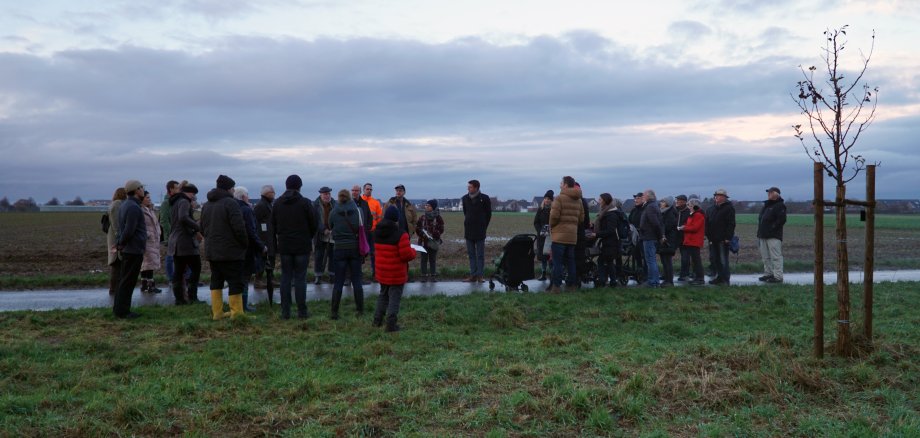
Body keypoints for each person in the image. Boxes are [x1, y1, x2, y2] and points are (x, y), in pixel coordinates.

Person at [201, 175, 249, 320]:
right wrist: (244, 243)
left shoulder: (207, 205)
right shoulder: (231, 203)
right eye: (233, 187)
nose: (234, 190)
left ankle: (217, 312)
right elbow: (239, 227)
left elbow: (202, 228)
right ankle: (237, 313)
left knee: (216, 280)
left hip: (212, 250)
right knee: (235, 281)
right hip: (231, 251)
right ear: (228, 188)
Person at [272, 175, 318, 320]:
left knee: (285, 278)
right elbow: (314, 223)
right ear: (300, 186)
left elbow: (273, 224)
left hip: (285, 245)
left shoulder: (278, 203)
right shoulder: (305, 202)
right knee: (300, 278)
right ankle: (302, 311)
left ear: (286, 186)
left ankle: (285, 312)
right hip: (302, 245)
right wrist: (307, 236)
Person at [373, 205, 417, 332]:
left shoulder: (377, 231)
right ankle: (391, 325)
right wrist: (413, 251)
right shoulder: (401, 234)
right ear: (396, 219)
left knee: (383, 295)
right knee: (394, 299)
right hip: (396, 272)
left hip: (382, 271)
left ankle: (377, 320)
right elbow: (406, 255)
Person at [329, 189, 366, 319]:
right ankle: (360, 309)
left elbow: (330, 225)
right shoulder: (358, 211)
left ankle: (334, 312)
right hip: (354, 248)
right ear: (350, 197)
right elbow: (362, 227)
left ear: (338, 198)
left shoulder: (333, 212)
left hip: (339, 249)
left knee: (338, 281)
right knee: (356, 279)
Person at [112, 180, 147, 319]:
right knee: (128, 281)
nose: (143, 190)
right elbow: (129, 230)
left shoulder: (126, 204)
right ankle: (123, 311)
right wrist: (121, 243)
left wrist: (121, 243)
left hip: (130, 249)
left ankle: (119, 309)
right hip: (133, 250)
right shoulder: (133, 207)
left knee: (124, 280)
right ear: (137, 190)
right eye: (142, 188)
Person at [167, 182, 203, 305]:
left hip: (176, 241)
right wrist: (197, 227)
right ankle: (192, 297)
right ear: (189, 192)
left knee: (179, 271)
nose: (194, 197)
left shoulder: (176, 201)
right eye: (193, 194)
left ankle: (180, 299)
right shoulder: (184, 202)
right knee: (196, 268)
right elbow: (183, 217)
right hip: (185, 242)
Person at [548, 176, 584, 293]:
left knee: (557, 263)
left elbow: (554, 216)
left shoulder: (559, 198)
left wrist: (552, 226)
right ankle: (571, 286)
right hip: (572, 236)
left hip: (559, 236)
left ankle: (556, 287)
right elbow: (581, 218)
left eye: (561, 183)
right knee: (571, 262)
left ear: (565, 185)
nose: (559, 185)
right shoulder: (579, 200)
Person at [234, 186, 267, 312]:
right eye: (247, 195)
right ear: (243, 196)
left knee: (238, 278)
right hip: (246, 248)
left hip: (235, 248)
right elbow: (251, 231)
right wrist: (261, 246)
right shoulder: (246, 210)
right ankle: (244, 306)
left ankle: (238, 305)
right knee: (245, 277)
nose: (248, 197)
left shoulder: (233, 208)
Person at [461, 179, 492, 282]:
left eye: (470, 187)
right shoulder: (465, 198)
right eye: (468, 187)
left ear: (476, 188)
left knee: (480, 255)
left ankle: (480, 276)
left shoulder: (485, 198)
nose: (468, 189)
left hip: (480, 231)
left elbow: (488, 214)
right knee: (471, 254)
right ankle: (473, 275)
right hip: (469, 230)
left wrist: (483, 226)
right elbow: (466, 213)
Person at [705, 188, 736, 285]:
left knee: (723, 260)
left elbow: (731, 224)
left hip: (723, 239)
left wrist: (728, 237)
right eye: (716, 195)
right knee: (715, 259)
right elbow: (708, 223)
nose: (716, 197)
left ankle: (725, 279)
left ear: (724, 197)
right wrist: (708, 236)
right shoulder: (712, 208)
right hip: (713, 238)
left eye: (719, 195)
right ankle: (719, 277)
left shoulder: (729, 208)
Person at [757, 187, 787, 284]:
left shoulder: (780, 205)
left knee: (776, 256)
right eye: (768, 192)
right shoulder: (766, 206)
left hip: (773, 236)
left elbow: (781, 220)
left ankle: (778, 276)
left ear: (776, 194)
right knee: (765, 256)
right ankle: (768, 274)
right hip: (762, 235)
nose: (768, 194)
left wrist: (772, 228)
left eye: (770, 192)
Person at [593, 193, 622, 288]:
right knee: (608, 262)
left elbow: (610, 230)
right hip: (608, 242)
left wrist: (596, 234)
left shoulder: (611, 214)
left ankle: (604, 281)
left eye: (600, 199)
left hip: (611, 242)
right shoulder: (606, 212)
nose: (598, 201)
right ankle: (612, 281)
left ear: (605, 201)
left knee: (603, 261)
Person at [638, 189, 664, 288]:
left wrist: (660, 236)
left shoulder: (650, 207)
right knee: (651, 260)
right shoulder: (652, 205)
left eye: (644, 195)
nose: (643, 196)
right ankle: (654, 281)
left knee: (650, 260)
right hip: (650, 236)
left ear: (649, 196)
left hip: (649, 237)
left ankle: (653, 282)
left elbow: (656, 223)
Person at [139, 191, 163, 294]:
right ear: (142, 199)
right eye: (147, 197)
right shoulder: (141, 210)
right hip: (148, 239)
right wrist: (148, 235)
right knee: (149, 263)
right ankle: (150, 286)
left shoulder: (149, 209)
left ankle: (144, 285)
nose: (149, 199)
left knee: (147, 263)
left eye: (149, 197)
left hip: (153, 239)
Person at [416, 199, 444, 282]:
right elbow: (417, 228)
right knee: (423, 260)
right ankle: (423, 276)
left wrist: (435, 234)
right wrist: (422, 234)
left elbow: (441, 229)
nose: (426, 207)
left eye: (428, 205)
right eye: (426, 205)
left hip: (433, 242)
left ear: (433, 207)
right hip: (423, 242)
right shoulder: (422, 217)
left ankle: (433, 276)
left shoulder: (438, 218)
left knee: (432, 259)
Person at [253, 185, 276, 289]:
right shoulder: (261, 205)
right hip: (263, 237)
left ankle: (271, 278)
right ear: (267, 194)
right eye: (273, 192)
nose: (274, 194)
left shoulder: (267, 204)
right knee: (262, 259)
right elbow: (256, 223)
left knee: (271, 258)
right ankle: (258, 280)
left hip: (269, 236)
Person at [680, 198, 706, 286]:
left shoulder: (698, 215)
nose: (688, 207)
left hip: (695, 240)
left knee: (696, 260)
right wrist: (685, 226)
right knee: (694, 260)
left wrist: (684, 228)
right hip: (690, 240)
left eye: (690, 205)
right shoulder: (693, 215)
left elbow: (695, 228)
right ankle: (696, 277)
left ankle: (700, 278)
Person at [159, 180, 180, 287]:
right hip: (171, 235)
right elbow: (163, 220)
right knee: (170, 257)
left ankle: (182, 278)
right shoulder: (166, 203)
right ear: (171, 189)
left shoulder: (176, 201)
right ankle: (171, 278)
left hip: (178, 234)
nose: (179, 190)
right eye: (177, 188)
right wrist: (170, 233)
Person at [106, 187, 127, 296]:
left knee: (118, 265)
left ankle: (115, 288)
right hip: (116, 239)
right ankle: (113, 290)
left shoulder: (115, 204)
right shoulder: (117, 204)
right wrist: (120, 238)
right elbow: (116, 224)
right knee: (116, 264)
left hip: (115, 238)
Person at [313, 186, 336, 284]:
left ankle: (332, 275)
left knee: (333, 256)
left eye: (328, 194)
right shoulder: (315, 205)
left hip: (332, 234)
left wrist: (334, 229)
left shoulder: (335, 204)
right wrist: (323, 229)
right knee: (319, 256)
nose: (327, 196)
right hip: (320, 235)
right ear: (321, 195)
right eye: (325, 194)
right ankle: (318, 276)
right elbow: (315, 220)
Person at [352, 184, 374, 284]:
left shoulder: (364, 204)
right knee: (351, 256)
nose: (354, 192)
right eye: (353, 190)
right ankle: (349, 278)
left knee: (361, 256)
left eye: (356, 190)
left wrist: (367, 228)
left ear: (360, 192)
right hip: (351, 235)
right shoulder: (348, 203)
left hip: (362, 235)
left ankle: (359, 277)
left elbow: (370, 217)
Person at [361, 183, 383, 279]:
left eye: (370, 189)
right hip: (362, 232)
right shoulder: (359, 201)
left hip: (373, 231)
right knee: (361, 253)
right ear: (363, 190)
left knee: (374, 254)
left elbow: (380, 217)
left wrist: (377, 221)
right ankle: (359, 273)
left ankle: (375, 273)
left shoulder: (376, 202)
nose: (369, 190)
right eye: (367, 189)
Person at [657, 196, 679, 287]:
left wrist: (661, 233)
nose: (661, 203)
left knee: (667, 261)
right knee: (664, 261)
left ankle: (669, 281)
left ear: (667, 203)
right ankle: (666, 279)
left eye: (663, 201)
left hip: (668, 241)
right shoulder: (664, 212)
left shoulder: (670, 213)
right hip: (664, 240)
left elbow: (668, 227)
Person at [532, 190, 554, 281]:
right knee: (543, 257)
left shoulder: (554, 210)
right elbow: (536, 222)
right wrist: (540, 230)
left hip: (551, 237)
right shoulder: (540, 210)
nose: (546, 200)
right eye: (545, 198)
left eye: (548, 199)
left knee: (551, 257)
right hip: (541, 237)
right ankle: (543, 273)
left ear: (551, 200)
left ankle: (552, 274)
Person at [674, 195, 693, 281]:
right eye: (677, 200)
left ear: (684, 202)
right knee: (668, 255)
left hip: (684, 236)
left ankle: (685, 274)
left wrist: (683, 227)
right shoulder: (675, 210)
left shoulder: (688, 211)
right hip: (675, 236)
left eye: (679, 200)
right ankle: (668, 274)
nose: (677, 201)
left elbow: (690, 224)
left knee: (685, 256)